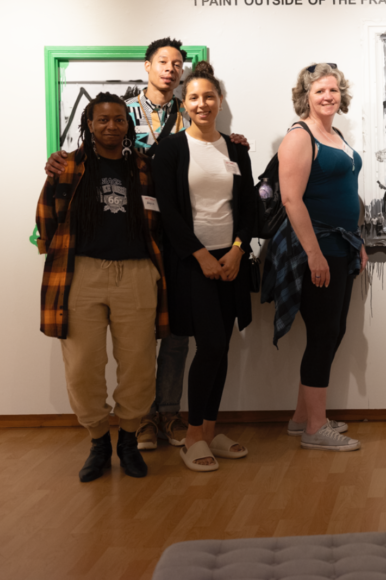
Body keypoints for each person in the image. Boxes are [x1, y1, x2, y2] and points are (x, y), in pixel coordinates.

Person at [45, 39, 249, 452]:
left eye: (178, 64)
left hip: (159, 243)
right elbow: (56, 205)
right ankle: (124, 428)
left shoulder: (185, 114)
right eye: (163, 62)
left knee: (168, 342)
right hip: (139, 242)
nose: (171, 69)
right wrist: (59, 164)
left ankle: (167, 414)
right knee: (110, 353)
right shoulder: (123, 111)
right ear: (147, 66)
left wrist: (234, 142)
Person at [35, 93, 167, 482]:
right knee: (82, 366)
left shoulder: (144, 168)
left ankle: (128, 440)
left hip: (137, 273)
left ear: (128, 125)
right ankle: (97, 441)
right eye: (103, 120)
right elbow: (46, 221)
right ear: (89, 125)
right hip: (82, 274)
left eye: (119, 120)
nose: (111, 126)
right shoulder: (67, 167)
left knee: (140, 365)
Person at [151, 64, 256, 471]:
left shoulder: (237, 150)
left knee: (222, 348)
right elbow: (170, 212)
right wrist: (201, 256)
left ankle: (210, 431)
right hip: (194, 264)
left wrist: (236, 250)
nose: (202, 104)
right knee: (210, 345)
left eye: (209, 96)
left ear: (220, 101)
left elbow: (247, 208)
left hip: (230, 261)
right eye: (193, 97)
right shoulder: (173, 150)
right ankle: (192, 436)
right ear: (185, 103)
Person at [264, 63, 368, 452]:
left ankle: (301, 418)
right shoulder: (300, 136)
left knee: (332, 331)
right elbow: (291, 199)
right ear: (305, 96)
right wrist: (314, 254)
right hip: (316, 247)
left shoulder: (334, 134)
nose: (328, 96)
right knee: (323, 334)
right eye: (320, 91)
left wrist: (357, 240)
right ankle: (315, 428)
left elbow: (343, 192)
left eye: (334, 90)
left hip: (341, 244)